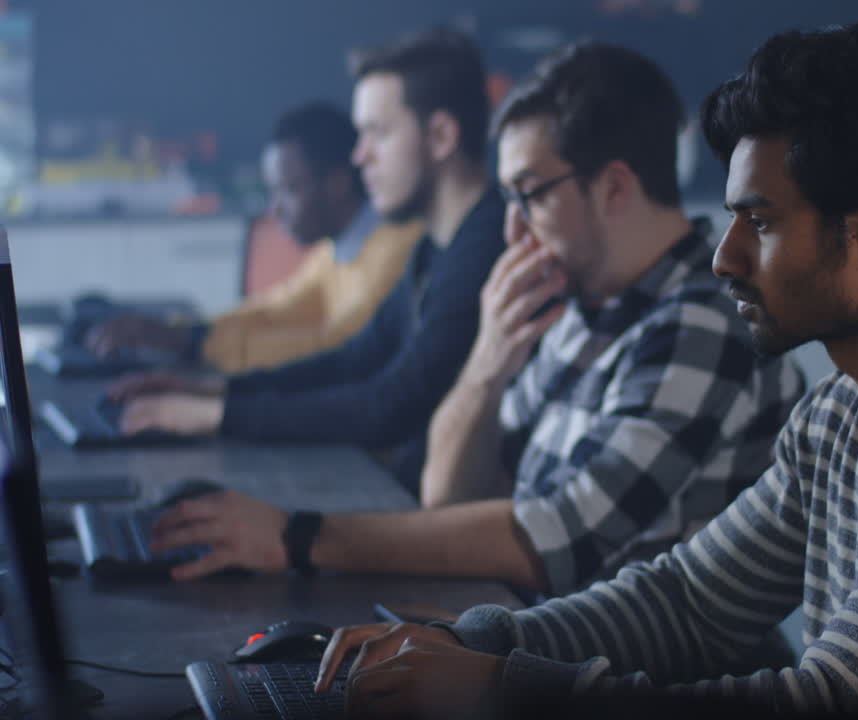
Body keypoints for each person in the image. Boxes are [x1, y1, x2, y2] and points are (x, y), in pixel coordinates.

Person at [311, 20, 858, 719]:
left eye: (761, 222)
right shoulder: (844, 415)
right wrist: (472, 641)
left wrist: (498, 687)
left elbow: (827, 704)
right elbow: (689, 602)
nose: (724, 256)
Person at [142, 41, 803, 612]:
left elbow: (552, 543)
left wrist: (297, 536)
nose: (512, 230)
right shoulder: (579, 309)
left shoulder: (705, 323)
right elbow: (448, 495)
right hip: (530, 642)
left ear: (615, 187)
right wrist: (488, 364)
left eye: (531, 195)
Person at [109, 28, 505, 481]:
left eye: (377, 133)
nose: (359, 157)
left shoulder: (485, 249)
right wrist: (212, 391)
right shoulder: (436, 247)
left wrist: (214, 414)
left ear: (440, 136)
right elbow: (353, 361)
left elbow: (388, 407)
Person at [88, 101, 424, 375]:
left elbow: (340, 345)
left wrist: (193, 344)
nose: (274, 209)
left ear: (337, 184)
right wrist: (183, 330)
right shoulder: (336, 248)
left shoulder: (398, 249)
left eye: (288, 189)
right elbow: (277, 311)